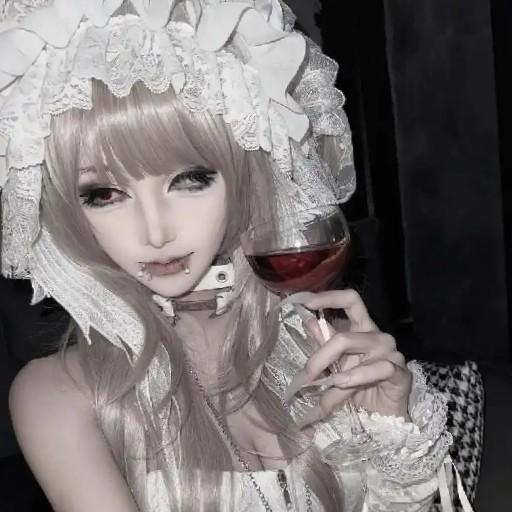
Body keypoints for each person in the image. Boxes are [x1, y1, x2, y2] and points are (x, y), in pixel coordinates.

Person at [0, 1, 471, 511]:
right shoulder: (59, 395)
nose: (155, 232)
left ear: (248, 174)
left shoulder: (316, 345)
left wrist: (392, 429)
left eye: (191, 179)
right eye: (104, 194)